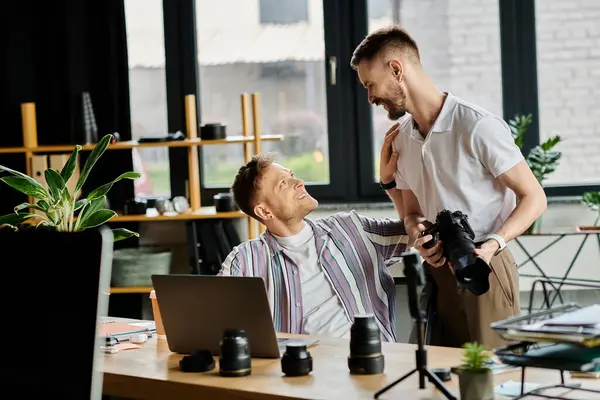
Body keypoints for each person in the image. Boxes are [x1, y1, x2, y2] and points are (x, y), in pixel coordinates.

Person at [350, 26, 548, 349]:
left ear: (396, 70)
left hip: (486, 267)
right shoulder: (400, 140)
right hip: (438, 274)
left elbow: (534, 198)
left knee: (492, 381)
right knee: (440, 381)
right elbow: (411, 214)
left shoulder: (476, 125)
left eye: (370, 85)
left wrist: (493, 244)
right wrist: (418, 234)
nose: (370, 98)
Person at [217, 154, 408, 342]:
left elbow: (415, 229)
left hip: (372, 363)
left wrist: (390, 185)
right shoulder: (244, 260)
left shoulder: (349, 227)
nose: (298, 182)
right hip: (299, 368)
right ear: (264, 211)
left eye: (292, 175)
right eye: (283, 184)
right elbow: (213, 321)